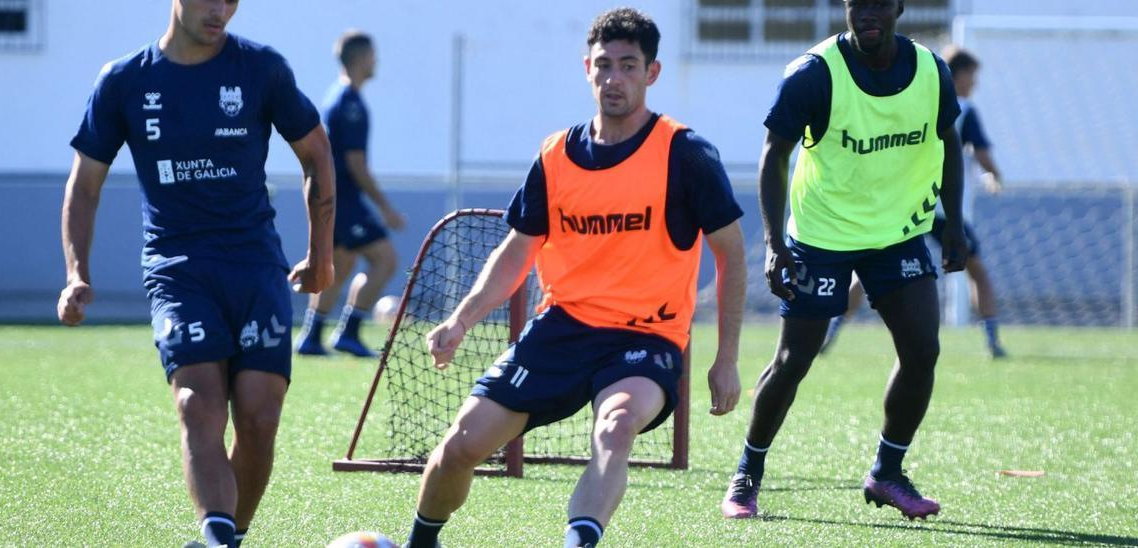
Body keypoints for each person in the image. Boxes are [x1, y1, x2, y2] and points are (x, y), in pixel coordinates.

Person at [404, 8, 747, 547]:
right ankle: (421, 540)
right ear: (587, 68)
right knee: (461, 446)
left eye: (629, 66)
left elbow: (731, 252)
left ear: (651, 73)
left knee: (614, 429)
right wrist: (461, 319)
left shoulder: (685, 153)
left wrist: (725, 358)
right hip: (561, 329)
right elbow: (516, 253)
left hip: (646, 337)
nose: (615, 79)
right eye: (604, 65)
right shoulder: (556, 155)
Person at [56, 1, 336, 546]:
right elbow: (83, 185)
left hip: (255, 267)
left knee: (258, 417)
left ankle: (228, 535)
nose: (220, 11)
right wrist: (75, 273)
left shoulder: (261, 69)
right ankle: (217, 532)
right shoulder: (124, 81)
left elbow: (316, 154)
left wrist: (321, 254)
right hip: (177, 269)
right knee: (196, 403)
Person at [720, 0, 968, 521]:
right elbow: (775, 154)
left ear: (899, 7)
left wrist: (955, 224)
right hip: (822, 234)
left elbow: (948, 143)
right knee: (795, 360)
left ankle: (887, 471)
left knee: (922, 348)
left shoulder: (931, 71)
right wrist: (773, 242)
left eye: (880, 2)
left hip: (898, 233)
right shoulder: (813, 75)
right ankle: (747, 474)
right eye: (858, 3)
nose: (868, 12)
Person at [821, 45, 1006, 358]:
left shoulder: (914, 100)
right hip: (942, 210)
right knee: (976, 269)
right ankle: (992, 342)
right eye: (972, 76)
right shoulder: (963, 108)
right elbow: (982, 153)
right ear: (958, 75)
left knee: (866, 273)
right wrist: (994, 175)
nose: (974, 83)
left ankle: (829, 334)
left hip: (902, 205)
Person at [295, 30, 405, 358]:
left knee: (341, 264)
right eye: (372, 54)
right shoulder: (351, 103)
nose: (376, 61)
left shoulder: (337, 96)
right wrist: (385, 208)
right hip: (345, 199)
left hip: (336, 196)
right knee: (385, 259)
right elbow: (356, 164)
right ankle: (350, 330)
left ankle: (312, 337)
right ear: (360, 58)